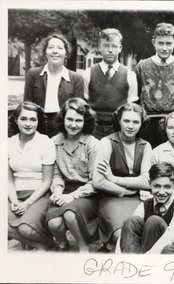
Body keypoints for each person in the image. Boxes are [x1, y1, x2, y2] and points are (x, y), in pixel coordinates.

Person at [93, 102, 152, 251]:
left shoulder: (145, 146)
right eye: (126, 121)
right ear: (119, 120)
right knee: (121, 233)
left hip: (138, 199)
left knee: (141, 232)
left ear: (141, 123)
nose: (130, 126)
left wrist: (114, 179)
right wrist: (125, 191)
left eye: (135, 122)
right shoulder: (106, 143)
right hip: (111, 197)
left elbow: (146, 181)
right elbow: (98, 181)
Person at [46, 98, 99, 252]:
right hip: (64, 190)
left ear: (85, 121)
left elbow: (94, 180)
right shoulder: (54, 142)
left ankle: (84, 247)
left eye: (78, 120)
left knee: (70, 214)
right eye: (69, 119)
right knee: (54, 223)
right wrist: (57, 192)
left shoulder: (92, 144)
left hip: (88, 193)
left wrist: (73, 196)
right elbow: (56, 174)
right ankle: (63, 246)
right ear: (63, 119)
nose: (73, 125)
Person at [8, 102, 56, 250]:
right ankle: (45, 245)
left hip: (39, 195)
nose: (28, 123)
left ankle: (44, 243)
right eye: (23, 119)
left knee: (25, 229)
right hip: (13, 194)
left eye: (33, 119)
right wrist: (14, 200)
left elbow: (47, 181)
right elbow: (7, 178)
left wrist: (27, 203)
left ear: (38, 121)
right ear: (16, 120)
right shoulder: (8, 143)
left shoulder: (46, 143)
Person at [136, 23, 174, 148]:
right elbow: (137, 97)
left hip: (173, 124)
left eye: (168, 44)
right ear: (153, 42)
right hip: (148, 124)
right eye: (160, 43)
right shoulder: (142, 66)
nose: (164, 48)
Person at [119, 162, 174, 253]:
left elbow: (169, 236)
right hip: (143, 249)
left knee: (154, 221)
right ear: (150, 184)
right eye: (157, 186)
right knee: (131, 221)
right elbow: (127, 232)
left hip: (164, 251)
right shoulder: (145, 205)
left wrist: (146, 257)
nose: (161, 192)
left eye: (167, 187)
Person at [24, 33, 84, 137]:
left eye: (60, 48)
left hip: (64, 130)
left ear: (66, 53)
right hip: (37, 128)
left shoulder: (76, 78)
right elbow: (27, 105)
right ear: (45, 52)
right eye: (51, 47)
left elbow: (78, 111)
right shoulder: (33, 74)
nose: (55, 51)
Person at [83, 28, 138, 139]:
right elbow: (85, 104)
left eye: (114, 46)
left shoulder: (130, 75)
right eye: (106, 46)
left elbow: (131, 106)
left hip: (118, 127)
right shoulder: (88, 73)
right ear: (99, 47)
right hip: (94, 128)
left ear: (120, 48)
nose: (110, 50)